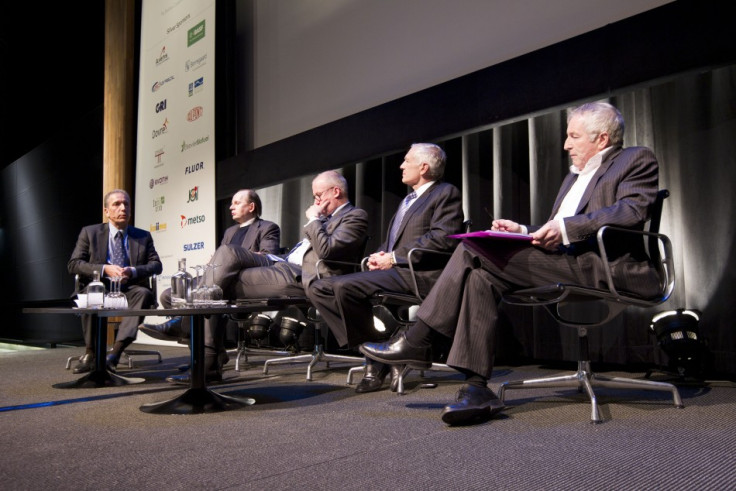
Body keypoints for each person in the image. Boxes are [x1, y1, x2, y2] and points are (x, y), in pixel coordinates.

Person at [359, 102, 662, 425]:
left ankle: (418, 339)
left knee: (473, 250)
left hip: (604, 265)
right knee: (479, 275)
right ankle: (476, 387)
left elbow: (631, 212)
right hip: (565, 261)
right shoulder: (573, 177)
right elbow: (554, 228)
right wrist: (523, 230)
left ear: (601, 139)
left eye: (573, 136)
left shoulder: (634, 159)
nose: (566, 145)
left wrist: (565, 228)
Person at [169, 171, 368, 384]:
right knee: (224, 265)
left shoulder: (354, 216)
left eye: (318, 195)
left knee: (210, 277)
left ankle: (190, 331)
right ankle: (206, 355)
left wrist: (313, 221)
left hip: (305, 276)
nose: (315, 201)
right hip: (282, 264)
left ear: (335, 191)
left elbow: (328, 251)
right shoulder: (325, 219)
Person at [306, 143, 464, 393]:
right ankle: (381, 350)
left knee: (341, 287)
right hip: (398, 271)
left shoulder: (445, 193)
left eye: (406, 161)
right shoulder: (409, 199)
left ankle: (375, 358)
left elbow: (442, 238)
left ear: (423, 167)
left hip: (421, 274)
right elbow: (395, 241)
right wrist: (379, 255)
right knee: (321, 288)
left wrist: (394, 257)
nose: (401, 166)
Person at [139, 189, 280, 342]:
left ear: (251, 207)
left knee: (206, 299)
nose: (230, 207)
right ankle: (195, 343)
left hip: (241, 282)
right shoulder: (230, 231)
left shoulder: (267, 227)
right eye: (231, 204)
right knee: (168, 295)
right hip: (217, 277)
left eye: (237, 203)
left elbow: (267, 258)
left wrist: (233, 256)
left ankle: (193, 339)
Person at [67, 189, 163, 373]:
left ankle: (115, 353)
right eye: (117, 204)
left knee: (143, 293)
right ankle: (90, 352)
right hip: (99, 285)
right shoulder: (90, 233)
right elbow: (74, 264)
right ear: (106, 211)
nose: (123, 208)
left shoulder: (142, 236)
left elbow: (156, 265)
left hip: (129, 287)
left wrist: (132, 271)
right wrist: (104, 268)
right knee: (91, 295)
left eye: (126, 204)